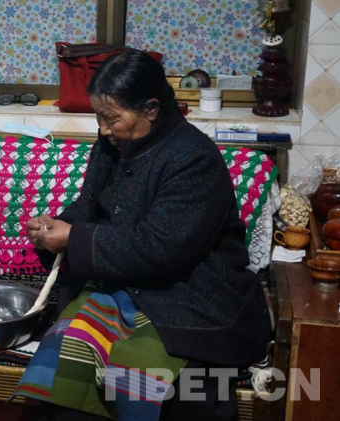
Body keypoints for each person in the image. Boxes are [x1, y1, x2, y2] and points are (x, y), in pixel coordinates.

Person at [16, 50, 271, 421]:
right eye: (99, 117)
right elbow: (91, 206)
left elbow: (162, 249)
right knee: (63, 358)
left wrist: (74, 238)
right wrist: (56, 226)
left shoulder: (193, 158)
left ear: (151, 108)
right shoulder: (112, 145)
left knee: (152, 384)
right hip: (122, 281)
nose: (104, 129)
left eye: (112, 118)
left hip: (190, 293)